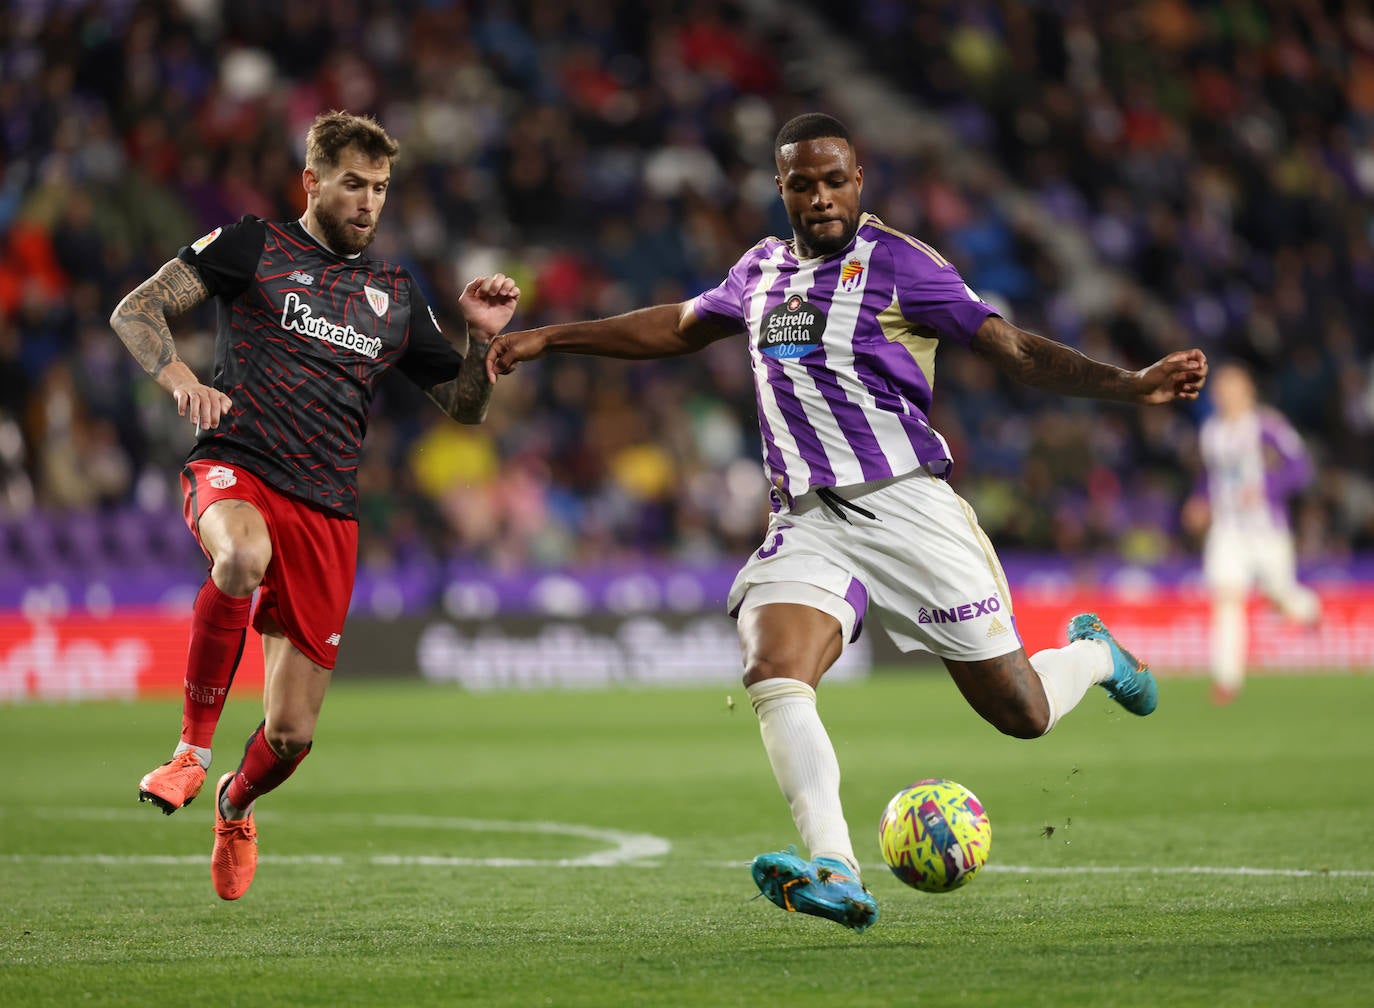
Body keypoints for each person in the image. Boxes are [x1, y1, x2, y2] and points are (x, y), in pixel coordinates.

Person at [487, 113, 1207, 932]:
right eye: (803, 183)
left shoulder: (902, 265)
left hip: (908, 509)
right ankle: (836, 867)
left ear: (859, 181)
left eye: (835, 180)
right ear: (781, 187)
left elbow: (1012, 350)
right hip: (807, 519)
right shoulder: (759, 271)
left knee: (1023, 713)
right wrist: (550, 337)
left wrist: (1130, 384)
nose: (821, 196)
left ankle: (1092, 654)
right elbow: (677, 327)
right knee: (774, 670)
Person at [109, 110, 519, 900]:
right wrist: (183, 381)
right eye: (354, 185)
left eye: (381, 189)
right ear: (312, 182)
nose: (369, 203)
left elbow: (464, 408)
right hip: (237, 467)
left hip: (327, 511)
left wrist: (478, 337)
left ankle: (235, 800)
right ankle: (190, 755)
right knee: (240, 556)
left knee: (291, 736)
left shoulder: (394, 294)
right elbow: (137, 309)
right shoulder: (253, 246)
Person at [1182, 361, 1319, 705]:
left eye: (1233, 385)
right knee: (1227, 598)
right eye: (1221, 386)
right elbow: (1211, 476)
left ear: (1248, 389)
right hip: (1228, 529)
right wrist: (1199, 501)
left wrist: (1267, 489)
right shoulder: (1211, 430)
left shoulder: (1267, 426)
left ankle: (1311, 611)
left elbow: (1302, 467)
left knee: (1279, 593)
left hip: (1265, 528)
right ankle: (1226, 680)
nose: (1225, 392)